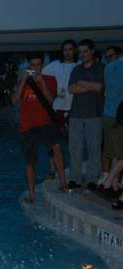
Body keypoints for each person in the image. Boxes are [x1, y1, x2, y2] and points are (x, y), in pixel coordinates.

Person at [12, 53, 67, 204]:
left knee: (57, 147)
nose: (35, 68)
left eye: (38, 65)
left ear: (42, 65)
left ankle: (63, 182)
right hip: (27, 125)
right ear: (29, 66)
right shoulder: (24, 81)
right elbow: (14, 100)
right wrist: (23, 80)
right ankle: (32, 194)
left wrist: (42, 83)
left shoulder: (49, 80)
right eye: (32, 65)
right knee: (30, 161)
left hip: (45, 122)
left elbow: (50, 101)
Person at [68, 39, 105, 189]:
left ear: (92, 51)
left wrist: (82, 83)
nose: (82, 54)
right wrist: (90, 85)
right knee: (74, 148)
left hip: (95, 114)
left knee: (94, 148)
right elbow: (71, 89)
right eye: (80, 51)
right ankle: (75, 179)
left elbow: (100, 88)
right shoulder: (76, 69)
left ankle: (92, 180)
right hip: (76, 115)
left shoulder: (101, 68)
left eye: (85, 51)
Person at [42, 40, 77, 178]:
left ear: (74, 50)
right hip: (56, 109)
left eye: (70, 49)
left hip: (74, 110)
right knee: (52, 142)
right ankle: (52, 170)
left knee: (74, 142)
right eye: (65, 49)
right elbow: (40, 75)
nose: (67, 52)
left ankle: (74, 170)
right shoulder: (55, 65)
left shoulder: (79, 66)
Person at [100, 52, 123, 196]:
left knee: (115, 153)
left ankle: (115, 185)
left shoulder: (109, 67)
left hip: (108, 114)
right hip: (120, 116)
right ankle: (109, 182)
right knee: (121, 154)